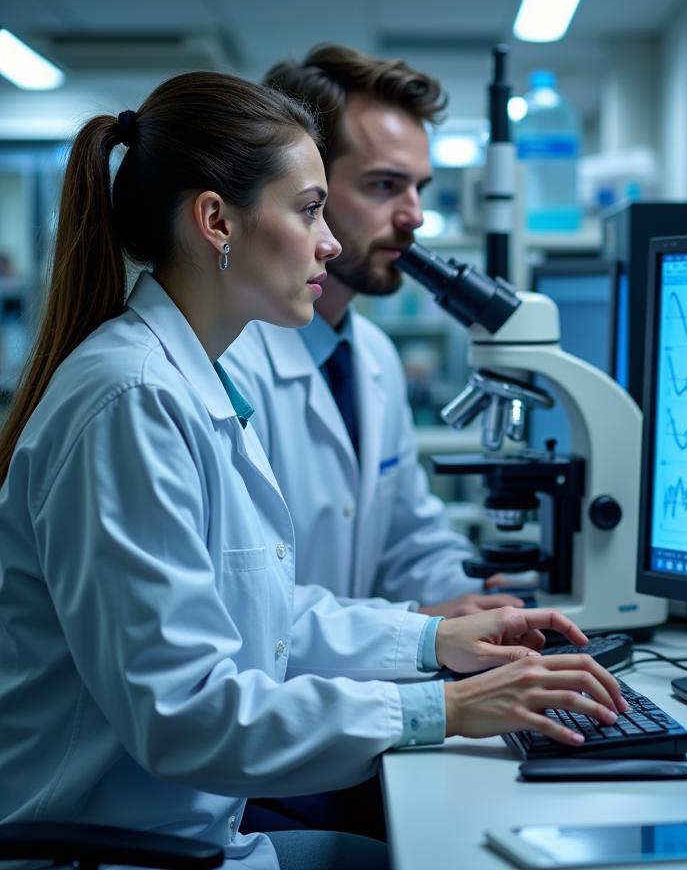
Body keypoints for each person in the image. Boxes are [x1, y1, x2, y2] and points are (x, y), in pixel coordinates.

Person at [0, 72, 628, 870]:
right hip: (112, 851)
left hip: (185, 831)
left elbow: (265, 620)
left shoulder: (189, 382)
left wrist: (436, 639)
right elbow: (185, 712)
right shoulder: (130, 399)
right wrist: (448, 708)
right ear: (216, 221)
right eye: (307, 210)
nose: (329, 242)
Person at [221, 46, 514, 620]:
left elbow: (407, 537)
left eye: (418, 188)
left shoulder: (373, 355)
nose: (415, 217)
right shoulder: (227, 361)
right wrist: (426, 634)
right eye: (384, 186)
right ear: (304, 185)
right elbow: (246, 611)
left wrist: (488, 598)